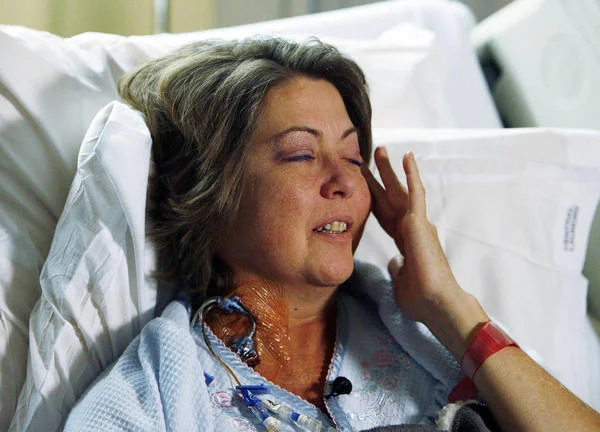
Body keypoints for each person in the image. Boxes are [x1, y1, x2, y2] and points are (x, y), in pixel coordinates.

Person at [65, 37, 600, 432]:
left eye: (352, 156)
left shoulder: (431, 341)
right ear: (209, 190)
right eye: (302, 155)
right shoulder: (154, 397)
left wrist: (451, 308)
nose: (344, 181)